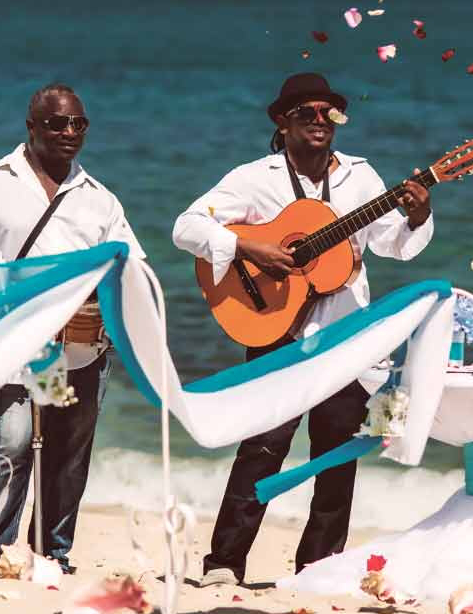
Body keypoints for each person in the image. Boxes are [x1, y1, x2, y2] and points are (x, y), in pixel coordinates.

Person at [172, 72, 433, 587]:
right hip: (272, 326)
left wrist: (419, 216)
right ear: (282, 121)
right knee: (261, 448)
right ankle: (224, 563)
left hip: (346, 334)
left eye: (330, 113)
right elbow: (187, 228)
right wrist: (251, 248)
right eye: (307, 113)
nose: (321, 121)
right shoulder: (254, 178)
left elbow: (393, 244)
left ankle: (319, 568)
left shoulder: (361, 177)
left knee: (336, 455)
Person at [0, 83, 144, 574]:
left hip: (78, 348)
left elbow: (131, 262)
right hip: (11, 341)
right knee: (12, 437)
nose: (69, 132)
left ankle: (52, 551)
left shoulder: (100, 200)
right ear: (31, 127)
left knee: (68, 453)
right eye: (56, 123)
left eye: (78, 123)